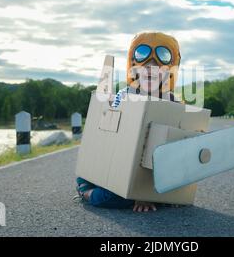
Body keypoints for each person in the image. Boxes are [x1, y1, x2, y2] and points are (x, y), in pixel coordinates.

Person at [75, 32, 181, 212]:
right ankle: (86, 191)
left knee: (172, 197)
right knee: (111, 196)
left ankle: (148, 195)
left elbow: (177, 147)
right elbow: (112, 136)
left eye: (157, 70)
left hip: (153, 171)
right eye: (145, 68)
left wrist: (145, 191)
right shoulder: (124, 96)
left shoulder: (173, 103)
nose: (151, 72)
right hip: (120, 164)